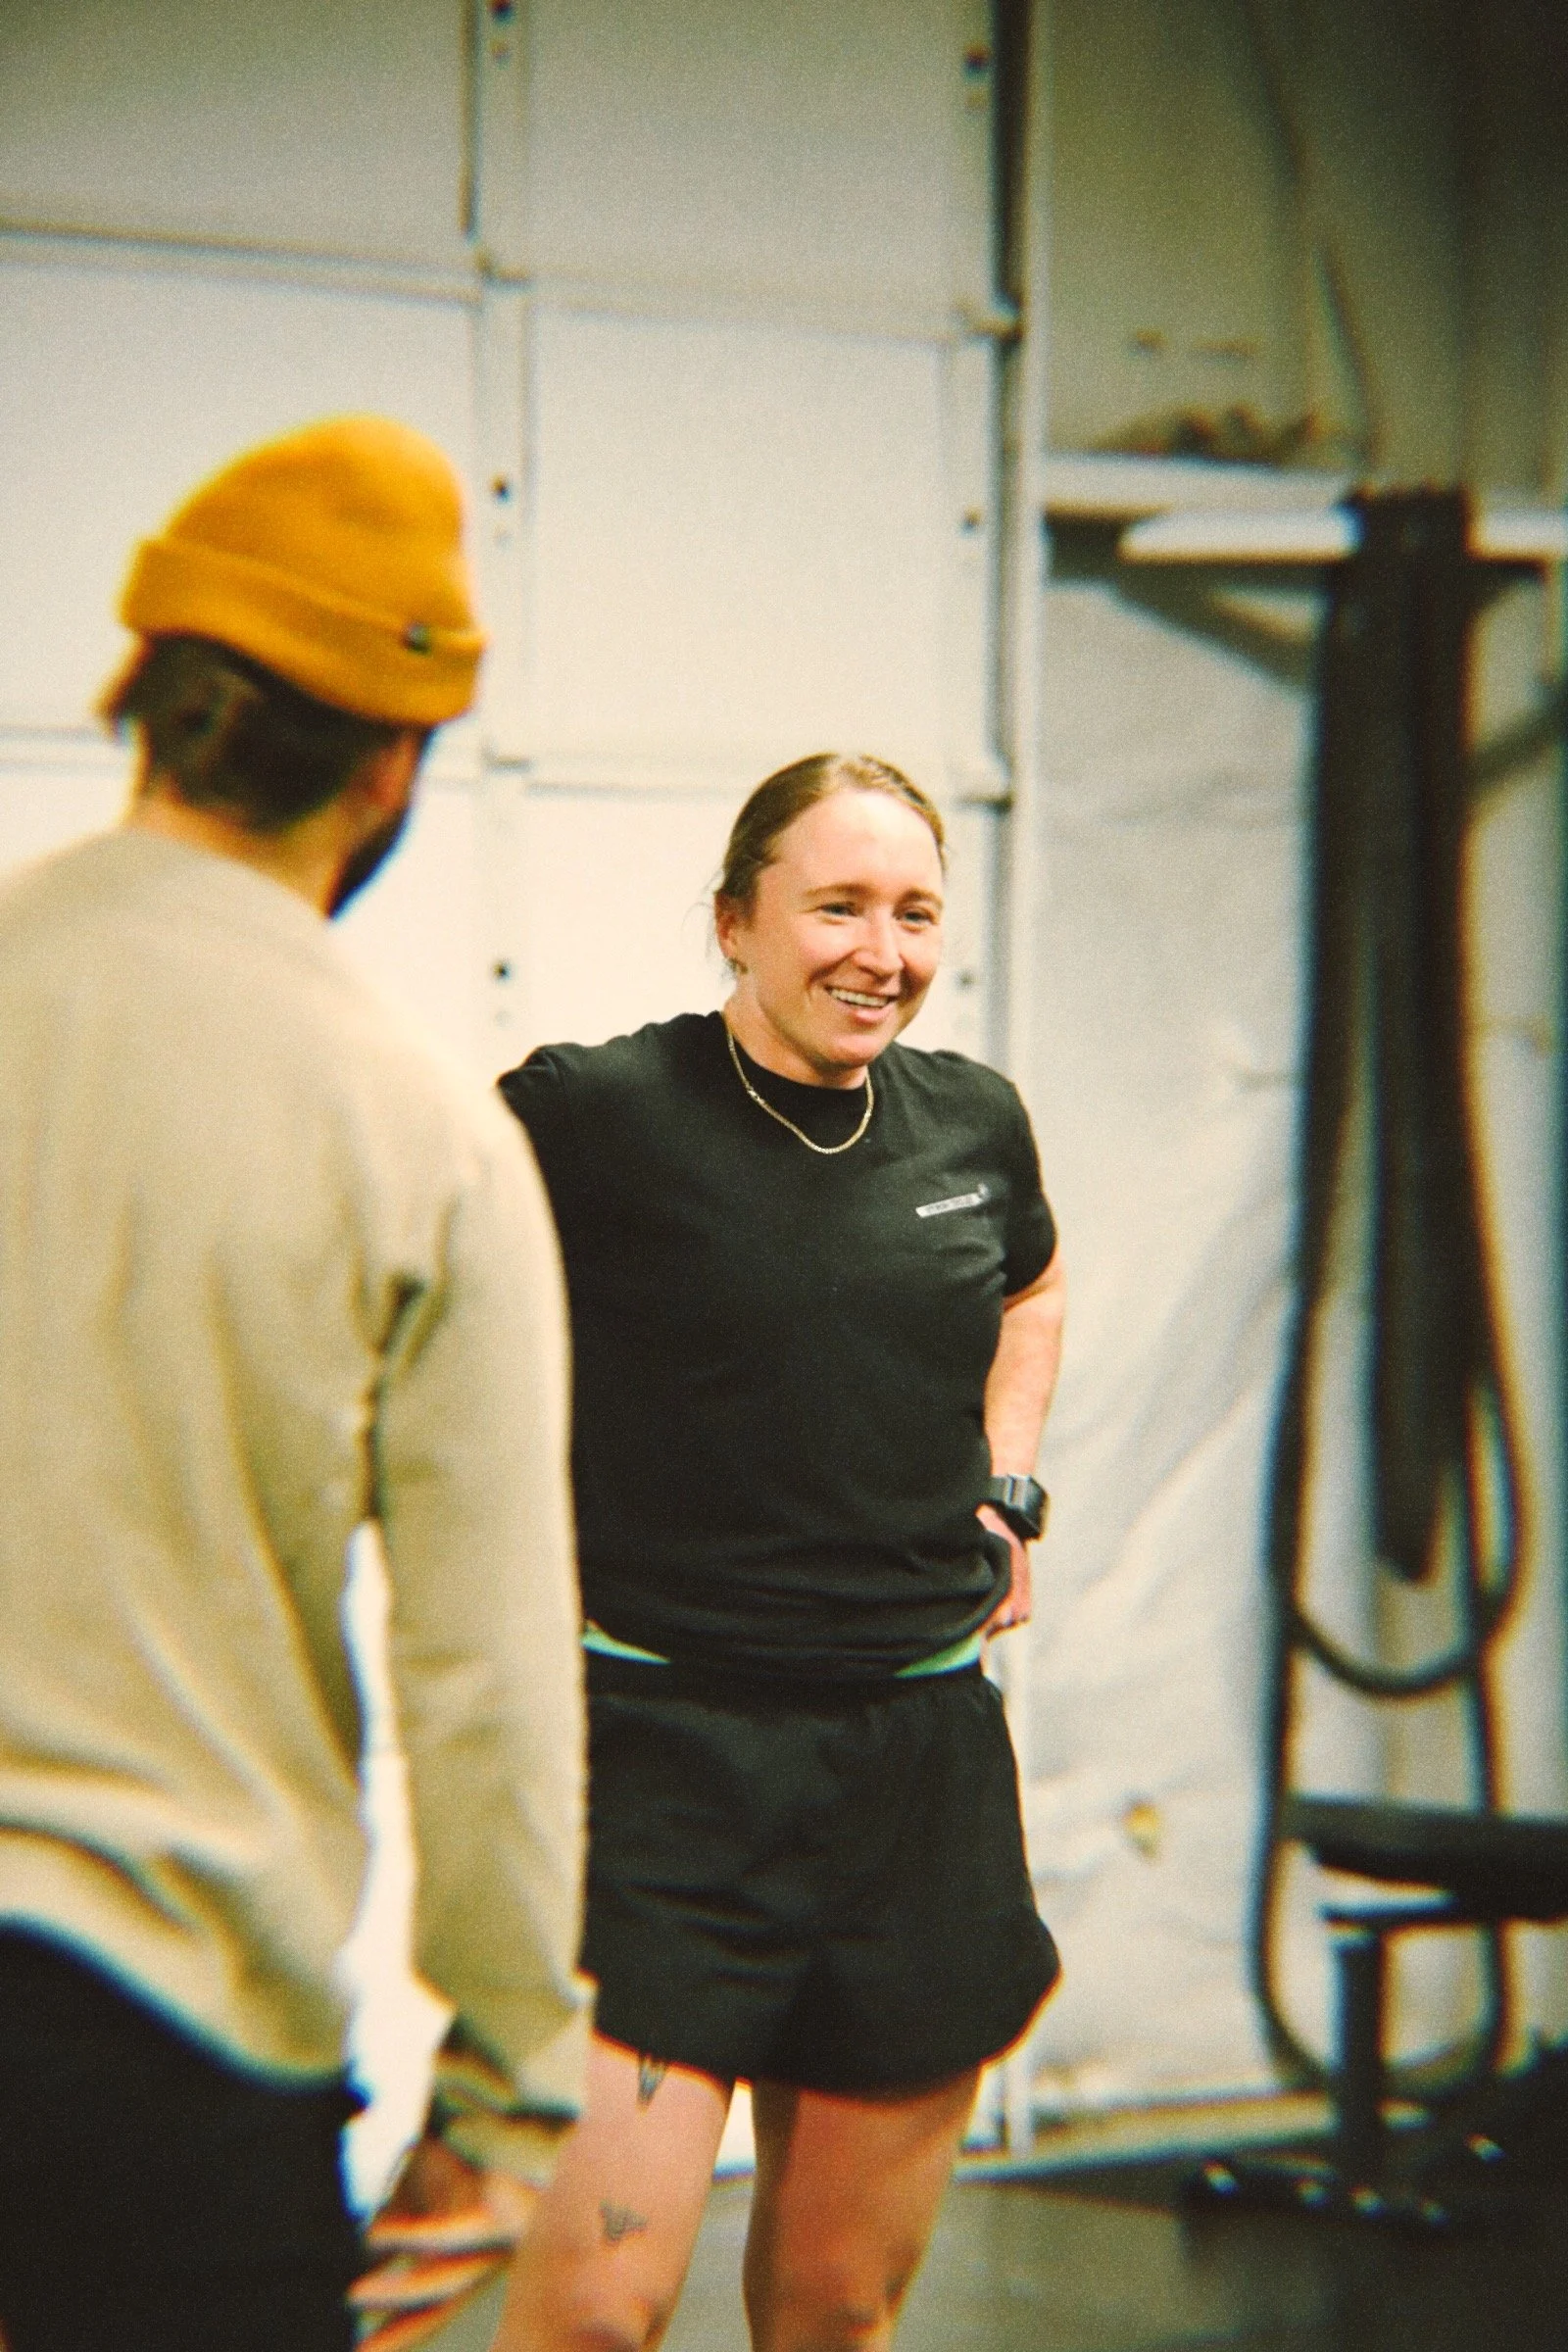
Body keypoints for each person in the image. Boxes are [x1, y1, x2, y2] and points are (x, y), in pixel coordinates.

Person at [0, 418, 591, 2352]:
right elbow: (488, 1683)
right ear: (389, 761)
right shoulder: (421, 1135)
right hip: (164, 2055)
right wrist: (505, 2094)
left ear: (151, 701)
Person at [492, 752, 1065, 2350]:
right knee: (602, 2305)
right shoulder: (592, 1114)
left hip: (916, 1768)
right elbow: (412, 1288)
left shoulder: (974, 1124)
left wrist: (1007, 1480)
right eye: (837, 906)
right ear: (736, 919)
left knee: (836, 2307)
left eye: (915, 912)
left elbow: (1033, 1287)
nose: (880, 950)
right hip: (667, 1760)